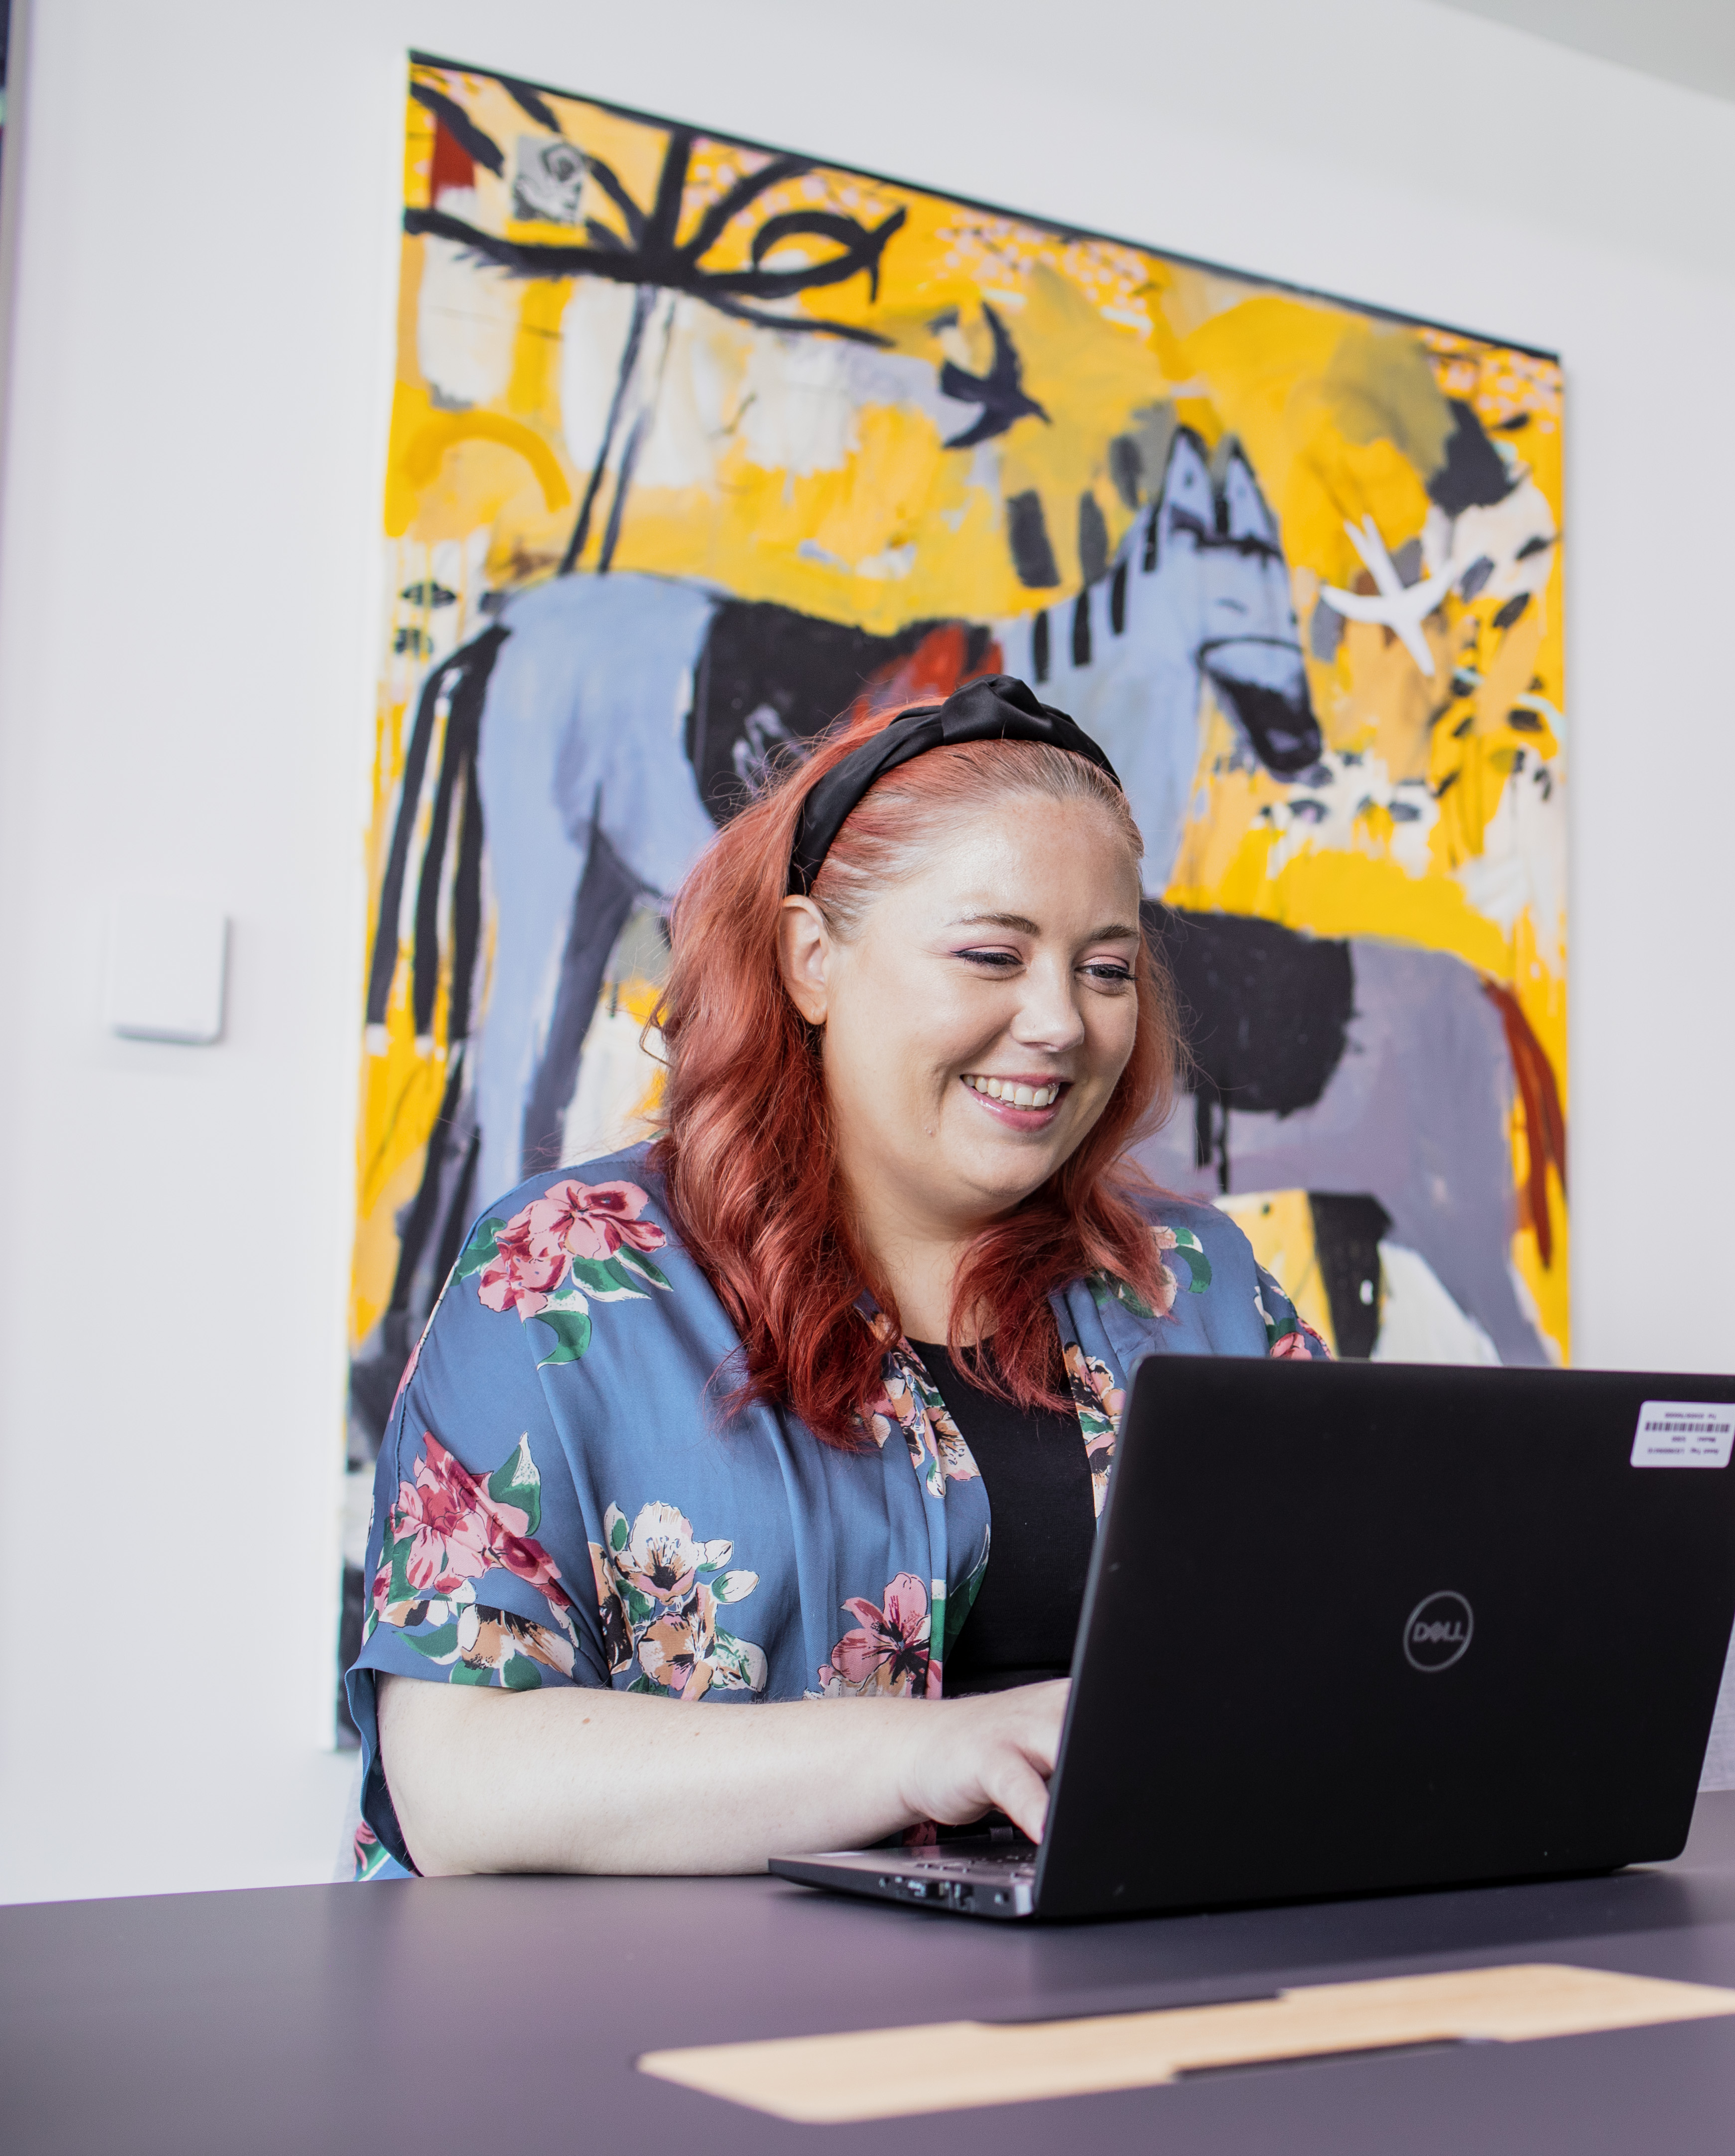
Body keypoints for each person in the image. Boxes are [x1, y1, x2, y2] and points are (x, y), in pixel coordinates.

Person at [349, 677, 1330, 1880]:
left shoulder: (1202, 1283)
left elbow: (1340, 1664)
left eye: (1106, 971)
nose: (1061, 1022)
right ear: (814, 959)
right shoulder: (562, 1274)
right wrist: (929, 1750)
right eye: (990, 954)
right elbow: (459, 1783)